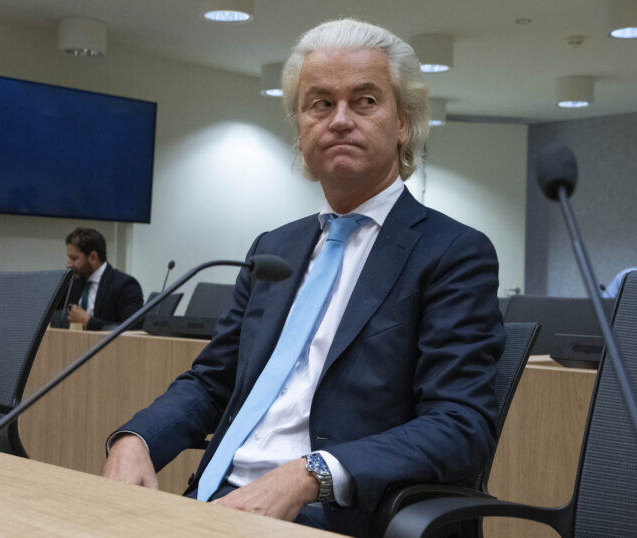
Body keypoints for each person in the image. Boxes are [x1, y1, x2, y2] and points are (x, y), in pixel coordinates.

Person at [101, 19, 505, 537]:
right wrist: (137, 438)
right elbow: (213, 382)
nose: (340, 120)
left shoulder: (453, 252)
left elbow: (459, 426)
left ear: (403, 123)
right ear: (300, 127)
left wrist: (308, 474)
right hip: (216, 504)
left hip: (339, 515)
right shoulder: (275, 248)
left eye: (364, 101)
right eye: (320, 103)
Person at [64, 227, 144, 330]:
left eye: (74, 258)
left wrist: (89, 322)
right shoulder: (74, 282)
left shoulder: (126, 286)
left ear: (93, 257)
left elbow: (133, 328)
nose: (68, 264)